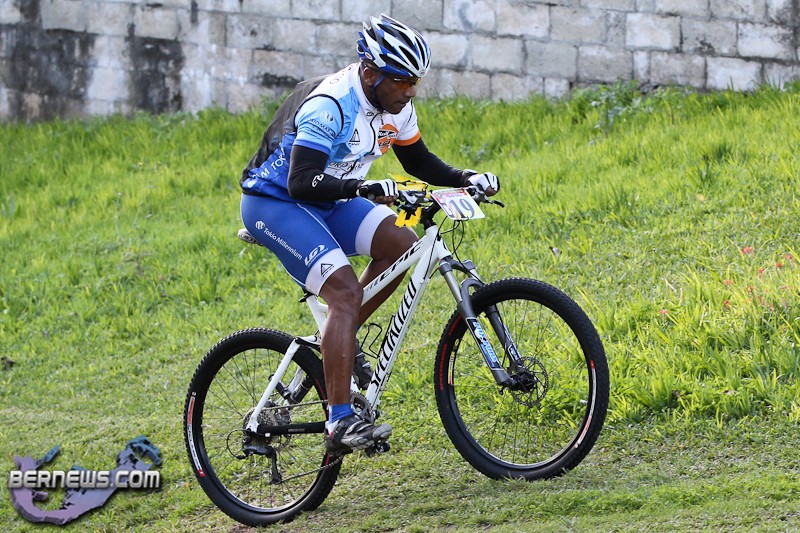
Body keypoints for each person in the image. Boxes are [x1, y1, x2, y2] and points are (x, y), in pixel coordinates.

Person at [239, 14, 500, 454]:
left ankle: (341, 335)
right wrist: (362, 187)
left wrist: (465, 177)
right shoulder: (331, 105)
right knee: (343, 291)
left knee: (402, 243)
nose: (410, 91)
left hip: (332, 196)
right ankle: (339, 422)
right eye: (402, 81)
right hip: (276, 202)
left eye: (415, 81)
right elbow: (300, 181)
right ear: (369, 74)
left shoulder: (395, 105)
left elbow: (418, 162)